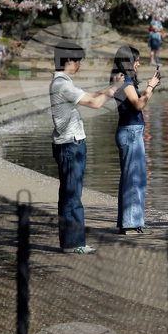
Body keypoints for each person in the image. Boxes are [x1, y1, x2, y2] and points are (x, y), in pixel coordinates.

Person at [50, 41, 126, 255]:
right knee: (72, 196)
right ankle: (75, 243)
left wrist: (110, 86)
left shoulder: (64, 82)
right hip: (70, 146)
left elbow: (90, 95)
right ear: (67, 60)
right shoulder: (62, 84)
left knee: (69, 194)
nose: (80, 65)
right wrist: (115, 88)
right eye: (78, 61)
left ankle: (70, 242)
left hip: (69, 144)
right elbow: (96, 104)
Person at [111, 45, 161, 235]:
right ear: (127, 62)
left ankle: (130, 222)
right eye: (136, 60)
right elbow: (138, 104)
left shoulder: (122, 79)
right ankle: (130, 224)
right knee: (134, 179)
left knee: (132, 178)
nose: (139, 63)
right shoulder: (125, 81)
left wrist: (150, 88)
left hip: (130, 131)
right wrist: (150, 87)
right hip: (130, 132)